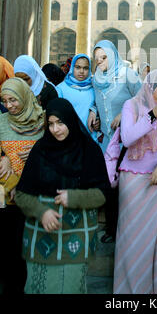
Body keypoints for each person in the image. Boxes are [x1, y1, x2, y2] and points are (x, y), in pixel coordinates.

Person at [15, 98, 111, 294]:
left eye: (60, 123)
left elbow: (103, 194)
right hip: (42, 234)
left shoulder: (89, 151)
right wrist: (41, 212)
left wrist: (75, 197)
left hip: (76, 237)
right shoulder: (40, 150)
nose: (55, 129)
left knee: (70, 286)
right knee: (39, 286)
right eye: (50, 124)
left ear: (70, 121)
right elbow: (22, 194)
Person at [113, 69, 157, 294]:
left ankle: (154, 290)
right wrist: (152, 115)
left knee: (155, 241)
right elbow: (128, 138)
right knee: (132, 240)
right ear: (149, 86)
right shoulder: (131, 106)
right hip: (132, 182)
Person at [88, 40, 142, 242]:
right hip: (106, 141)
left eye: (104, 58)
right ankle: (112, 229)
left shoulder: (127, 74)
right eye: (97, 59)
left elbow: (143, 98)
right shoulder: (96, 78)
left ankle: (127, 230)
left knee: (126, 187)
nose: (100, 62)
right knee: (109, 186)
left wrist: (124, 113)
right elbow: (96, 99)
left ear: (112, 56)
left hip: (126, 141)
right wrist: (94, 112)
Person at [0, 77, 45, 294]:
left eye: (13, 100)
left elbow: (56, 151)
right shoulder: (1, 122)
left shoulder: (43, 120)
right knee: (12, 249)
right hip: (9, 198)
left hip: (38, 194)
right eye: (5, 101)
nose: (9, 106)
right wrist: (3, 157)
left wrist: (37, 154)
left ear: (24, 97)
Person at [56, 54, 98, 141]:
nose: (81, 71)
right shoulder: (61, 89)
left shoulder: (95, 88)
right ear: (72, 68)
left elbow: (100, 106)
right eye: (78, 67)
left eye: (85, 68)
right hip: (69, 139)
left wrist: (97, 117)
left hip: (91, 139)